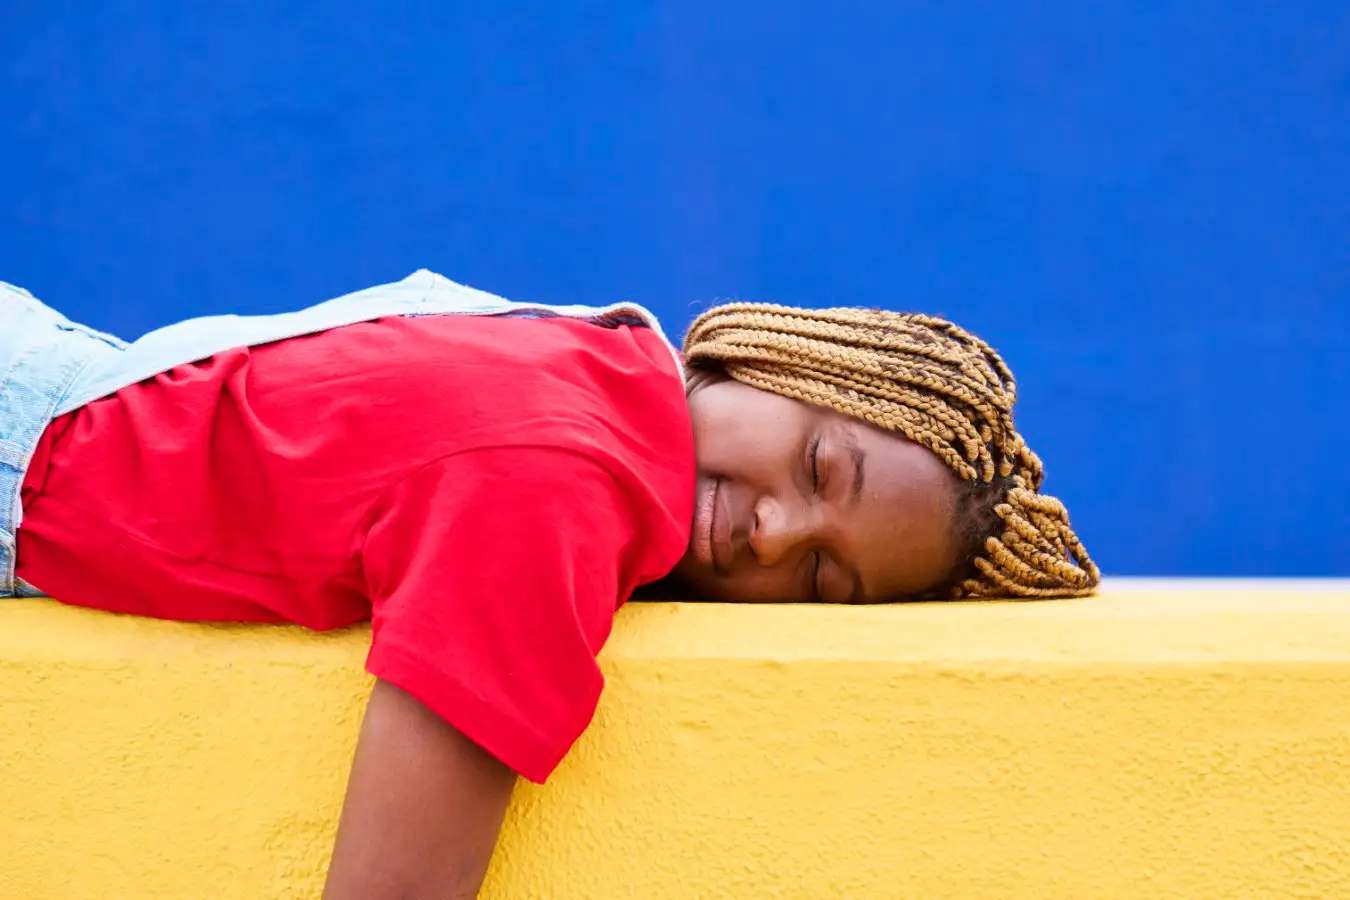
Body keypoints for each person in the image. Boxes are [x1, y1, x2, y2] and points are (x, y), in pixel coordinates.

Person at [0, 270, 1098, 898]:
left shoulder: (595, 355)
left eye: (823, 577)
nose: (773, 536)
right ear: (761, 363)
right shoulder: (559, 488)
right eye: (818, 467)